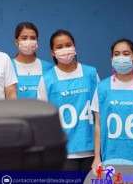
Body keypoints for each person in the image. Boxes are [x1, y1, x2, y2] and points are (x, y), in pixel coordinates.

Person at [37, 29, 98, 170]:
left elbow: (99, 113)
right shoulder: (46, 79)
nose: (65, 50)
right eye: (59, 47)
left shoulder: (91, 73)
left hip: (92, 150)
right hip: (64, 152)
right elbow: (43, 121)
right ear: (52, 52)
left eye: (68, 45)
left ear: (74, 46)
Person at [91, 39, 133, 175]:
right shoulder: (102, 88)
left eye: (126, 54)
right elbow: (98, 124)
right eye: (117, 54)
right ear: (111, 58)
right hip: (111, 159)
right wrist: (97, 157)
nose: (121, 58)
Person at [11, 22, 53, 99]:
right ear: (16, 42)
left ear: (37, 41)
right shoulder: (8, 67)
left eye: (33, 38)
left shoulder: (48, 68)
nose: (29, 41)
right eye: (24, 38)